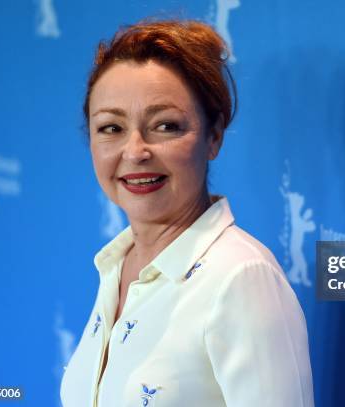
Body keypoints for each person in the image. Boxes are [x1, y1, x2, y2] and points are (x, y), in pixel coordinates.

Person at [59, 18, 314, 407]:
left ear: (213, 136)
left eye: (165, 125)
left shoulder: (240, 278)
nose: (135, 152)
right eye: (111, 128)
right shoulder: (117, 264)